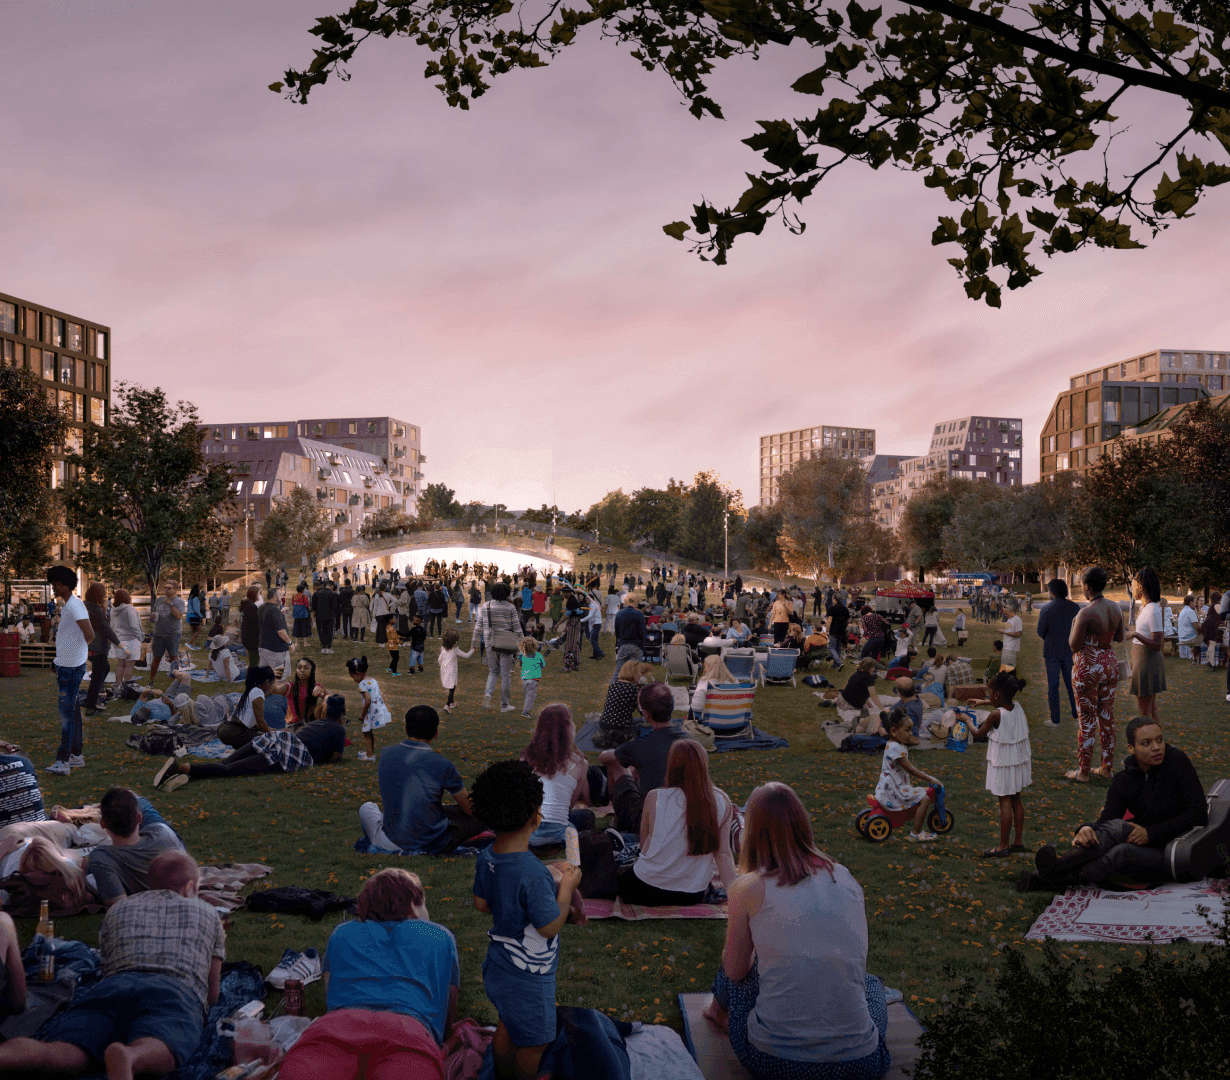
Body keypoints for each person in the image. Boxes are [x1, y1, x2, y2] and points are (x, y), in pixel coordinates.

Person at [702, 783, 890, 1080]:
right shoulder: (844, 877)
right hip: (860, 1066)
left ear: (751, 832)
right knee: (872, 986)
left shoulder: (748, 887)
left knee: (735, 969)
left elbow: (736, 971)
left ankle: (715, 1012)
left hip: (776, 1063)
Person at [0, 851, 224, 1080]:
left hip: (113, 986)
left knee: (63, 1049)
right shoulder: (208, 912)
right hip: (173, 989)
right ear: (189, 887)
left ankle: (9, 1055)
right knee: (165, 1042)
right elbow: (212, 991)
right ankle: (132, 1056)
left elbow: (105, 965)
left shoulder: (118, 910)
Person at [278, 869, 456, 1078]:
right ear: (413, 906)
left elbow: (331, 992)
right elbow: (447, 1004)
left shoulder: (342, 933)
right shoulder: (438, 936)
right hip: (408, 1031)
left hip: (337, 1026)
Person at [470, 760, 583, 1080]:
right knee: (535, 1043)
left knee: (508, 1024)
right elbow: (548, 927)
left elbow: (481, 903)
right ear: (536, 816)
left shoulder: (487, 856)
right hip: (528, 976)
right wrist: (567, 890)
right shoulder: (531, 873)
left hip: (499, 965)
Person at [1022, 717, 1210, 891]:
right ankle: (1056, 870)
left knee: (1121, 852)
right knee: (1118, 826)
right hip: (1143, 845)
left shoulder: (1177, 763)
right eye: (1146, 743)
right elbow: (1109, 819)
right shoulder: (1124, 779)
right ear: (1131, 748)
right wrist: (1087, 828)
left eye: (1159, 740)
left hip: (1176, 852)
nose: (1156, 747)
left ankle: (1053, 878)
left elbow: (1198, 813)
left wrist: (1150, 834)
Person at [617, 739, 736, 906]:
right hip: (692, 895)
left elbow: (645, 847)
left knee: (619, 865)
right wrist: (736, 898)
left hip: (644, 890)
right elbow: (723, 853)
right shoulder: (722, 801)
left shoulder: (655, 797)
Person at [359, 705, 487, 854]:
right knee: (480, 816)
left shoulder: (386, 754)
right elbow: (471, 809)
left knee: (367, 808)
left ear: (406, 729)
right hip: (432, 842)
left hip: (390, 840)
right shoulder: (443, 764)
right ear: (436, 733)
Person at [155, 694, 348, 789]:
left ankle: (188, 774)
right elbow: (335, 759)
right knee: (231, 771)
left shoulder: (316, 724)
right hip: (290, 754)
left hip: (278, 737)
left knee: (225, 765)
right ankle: (179, 768)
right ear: (342, 716)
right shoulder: (339, 729)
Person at [599, 681, 687, 834]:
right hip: (684, 813)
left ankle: (618, 820)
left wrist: (614, 754)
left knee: (616, 763)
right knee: (633, 764)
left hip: (648, 819)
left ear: (646, 714)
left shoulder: (640, 745)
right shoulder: (691, 741)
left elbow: (603, 757)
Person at [86, 787, 187, 905]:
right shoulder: (163, 833)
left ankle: (124, 802)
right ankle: (131, 796)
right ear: (139, 818)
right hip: (162, 839)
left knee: (128, 800)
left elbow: (118, 905)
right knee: (138, 801)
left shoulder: (101, 858)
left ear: (102, 824)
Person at [972, 671, 1031, 857]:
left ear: (997, 694)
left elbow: (978, 733)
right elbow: (1002, 705)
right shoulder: (1018, 707)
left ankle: (1003, 845)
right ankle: (1018, 841)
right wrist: (983, 702)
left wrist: (966, 719)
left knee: (1004, 801)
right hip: (1018, 761)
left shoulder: (995, 715)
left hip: (1003, 762)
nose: (988, 696)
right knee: (1016, 800)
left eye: (989, 693)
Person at [521, 704, 594, 848]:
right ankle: (573, 859)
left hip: (528, 834)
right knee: (586, 817)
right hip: (559, 834)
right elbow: (569, 805)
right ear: (567, 729)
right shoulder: (580, 763)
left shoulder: (526, 759)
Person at [45, 565, 94, 777]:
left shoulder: (74, 606)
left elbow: (90, 635)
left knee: (67, 716)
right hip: (67, 665)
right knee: (73, 713)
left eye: (56, 584)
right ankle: (76, 756)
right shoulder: (69, 606)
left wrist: (74, 656)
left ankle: (63, 761)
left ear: (65, 585)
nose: (53, 588)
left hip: (71, 668)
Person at [875, 709, 940, 842]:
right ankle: (915, 833)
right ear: (894, 731)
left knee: (919, 794)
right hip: (895, 791)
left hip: (889, 787)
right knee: (925, 799)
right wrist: (931, 778)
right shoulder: (896, 749)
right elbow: (911, 770)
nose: (911, 733)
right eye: (908, 730)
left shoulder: (893, 744)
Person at [472, 582, 522, 713]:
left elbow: (478, 626)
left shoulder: (485, 606)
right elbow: (517, 627)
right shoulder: (510, 608)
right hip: (506, 643)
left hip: (490, 643)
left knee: (493, 671)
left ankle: (488, 694)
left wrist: (474, 642)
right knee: (506, 675)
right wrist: (523, 642)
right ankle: (504, 705)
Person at [1036, 578, 1079, 728]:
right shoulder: (1075, 607)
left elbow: (1040, 631)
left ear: (1052, 592)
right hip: (1070, 650)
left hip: (1052, 651)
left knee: (1053, 686)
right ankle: (1077, 716)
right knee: (1072, 685)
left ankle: (1055, 719)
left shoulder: (1046, 608)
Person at [83, 582, 122, 716]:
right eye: (103, 594)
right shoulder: (94, 609)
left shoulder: (86, 606)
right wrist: (120, 644)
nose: (105, 597)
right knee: (99, 673)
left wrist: (104, 611)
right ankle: (91, 705)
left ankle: (91, 699)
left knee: (103, 669)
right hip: (96, 646)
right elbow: (106, 628)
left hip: (88, 645)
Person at [216, 666, 278, 749]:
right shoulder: (258, 693)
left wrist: (273, 730)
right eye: (272, 684)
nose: (272, 687)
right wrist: (272, 736)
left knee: (264, 734)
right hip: (233, 732)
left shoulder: (252, 690)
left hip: (224, 729)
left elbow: (255, 724)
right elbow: (260, 721)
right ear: (267, 682)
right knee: (269, 741)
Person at [348, 655, 392, 762]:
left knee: (366, 733)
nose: (353, 679)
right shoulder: (373, 680)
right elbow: (380, 694)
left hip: (369, 711)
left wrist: (363, 714)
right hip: (377, 709)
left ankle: (370, 756)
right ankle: (369, 753)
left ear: (358, 673)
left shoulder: (362, 684)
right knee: (369, 732)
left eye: (352, 676)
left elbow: (367, 700)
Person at [148, 578, 185, 682]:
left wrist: (170, 604)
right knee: (156, 658)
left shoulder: (179, 602)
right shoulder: (159, 600)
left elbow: (178, 616)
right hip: (158, 634)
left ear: (175, 590)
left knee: (173, 657)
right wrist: (152, 616)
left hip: (172, 634)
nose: (166, 590)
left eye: (169, 588)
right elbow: (156, 613)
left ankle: (176, 681)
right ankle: (151, 681)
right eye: (165, 588)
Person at [612, 594, 647, 685]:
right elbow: (643, 632)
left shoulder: (620, 613)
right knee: (636, 671)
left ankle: (612, 689)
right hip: (636, 645)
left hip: (623, 644)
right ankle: (634, 691)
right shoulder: (639, 614)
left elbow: (617, 630)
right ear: (636, 602)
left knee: (618, 670)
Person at [438, 627, 474, 714]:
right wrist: (472, 650)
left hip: (444, 670)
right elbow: (466, 655)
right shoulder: (455, 650)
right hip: (452, 671)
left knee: (452, 685)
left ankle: (452, 703)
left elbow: (439, 659)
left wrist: (442, 666)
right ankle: (447, 705)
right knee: (452, 688)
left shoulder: (443, 649)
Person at [690, 653, 737, 718]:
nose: (704, 669)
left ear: (711, 668)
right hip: (735, 722)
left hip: (712, 724)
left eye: (705, 667)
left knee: (692, 708)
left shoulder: (705, 683)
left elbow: (696, 708)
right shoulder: (735, 682)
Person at [258, 587, 291, 675]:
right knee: (278, 678)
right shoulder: (274, 610)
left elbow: (268, 622)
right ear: (274, 597)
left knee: (265, 678)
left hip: (263, 647)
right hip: (276, 651)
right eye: (280, 595)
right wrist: (290, 643)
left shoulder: (262, 607)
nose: (282, 597)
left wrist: (280, 613)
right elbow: (281, 631)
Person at [286, 657, 327, 726]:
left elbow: (331, 700)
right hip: (293, 724)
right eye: (299, 668)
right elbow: (276, 689)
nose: (302, 670)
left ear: (312, 671)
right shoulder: (290, 686)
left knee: (327, 699)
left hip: (310, 721)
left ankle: (323, 725)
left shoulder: (316, 687)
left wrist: (324, 691)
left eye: (306, 668)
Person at [519, 637, 545, 718]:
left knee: (527, 694)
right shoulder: (538, 655)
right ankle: (525, 712)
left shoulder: (522, 654)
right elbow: (543, 665)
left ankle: (526, 708)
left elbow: (520, 659)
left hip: (524, 678)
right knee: (531, 696)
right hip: (533, 679)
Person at [238, 585, 261, 670]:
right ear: (254, 594)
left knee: (253, 661)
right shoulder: (251, 607)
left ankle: (252, 677)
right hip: (252, 638)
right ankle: (252, 679)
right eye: (258, 593)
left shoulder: (247, 605)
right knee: (254, 662)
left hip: (247, 637)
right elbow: (255, 624)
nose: (260, 595)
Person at [313, 580, 339, 654]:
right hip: (330, 616)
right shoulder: (333, 594)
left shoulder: (319, 593)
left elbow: (315, 605)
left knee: (323, 631)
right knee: (330, 632)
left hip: (321, 615)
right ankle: (329, 647)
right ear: (331, 586)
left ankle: (323, 647)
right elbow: (334, 606)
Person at [186, 584, 204, 648]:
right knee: (199, 630)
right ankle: (189, 642)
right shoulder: (195, 598)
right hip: (194, 616)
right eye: (199, 591)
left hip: (190, 616)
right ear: (197, 592)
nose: (200, 592)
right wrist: (201, 615)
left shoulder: (190, 598)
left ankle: (192, 646)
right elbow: (196, 609)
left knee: (193, 631)